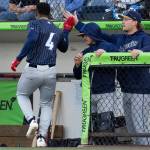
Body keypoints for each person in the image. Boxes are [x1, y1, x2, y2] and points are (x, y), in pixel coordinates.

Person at [64, 10, 150, 145]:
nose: (123, 21)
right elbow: (98, 35)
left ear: (135, 22)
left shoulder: (144, 37)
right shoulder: (120, 39)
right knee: (132, 128)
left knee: (141, 128)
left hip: (141, 89)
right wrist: (77, 23)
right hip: (126, 89)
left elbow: (148, 47)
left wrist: (142, 51)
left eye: (126, 19)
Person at [10, 2, 74, 147]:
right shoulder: (56, 29)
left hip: (33, 68)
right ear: (49, 12)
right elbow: (63, 48)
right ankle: (41, 138)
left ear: (37, 12)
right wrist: (66, 31)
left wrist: (18, 58)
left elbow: (32, 39)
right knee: (46, 104)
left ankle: (32, 120)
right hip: (51, 70)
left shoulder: (35, 23)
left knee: (21, 94)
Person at [73, 22, 117, 133]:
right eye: (83, 36)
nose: (84, 38)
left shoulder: (108, 46)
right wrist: (77, 64)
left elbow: (119, 51)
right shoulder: (86, 51)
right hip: (88, 93)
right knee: (91, 126)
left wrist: (107, 54)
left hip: (105, 92)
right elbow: (77, 75)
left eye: (86, 35)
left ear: (93, 34)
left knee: (105, 125)